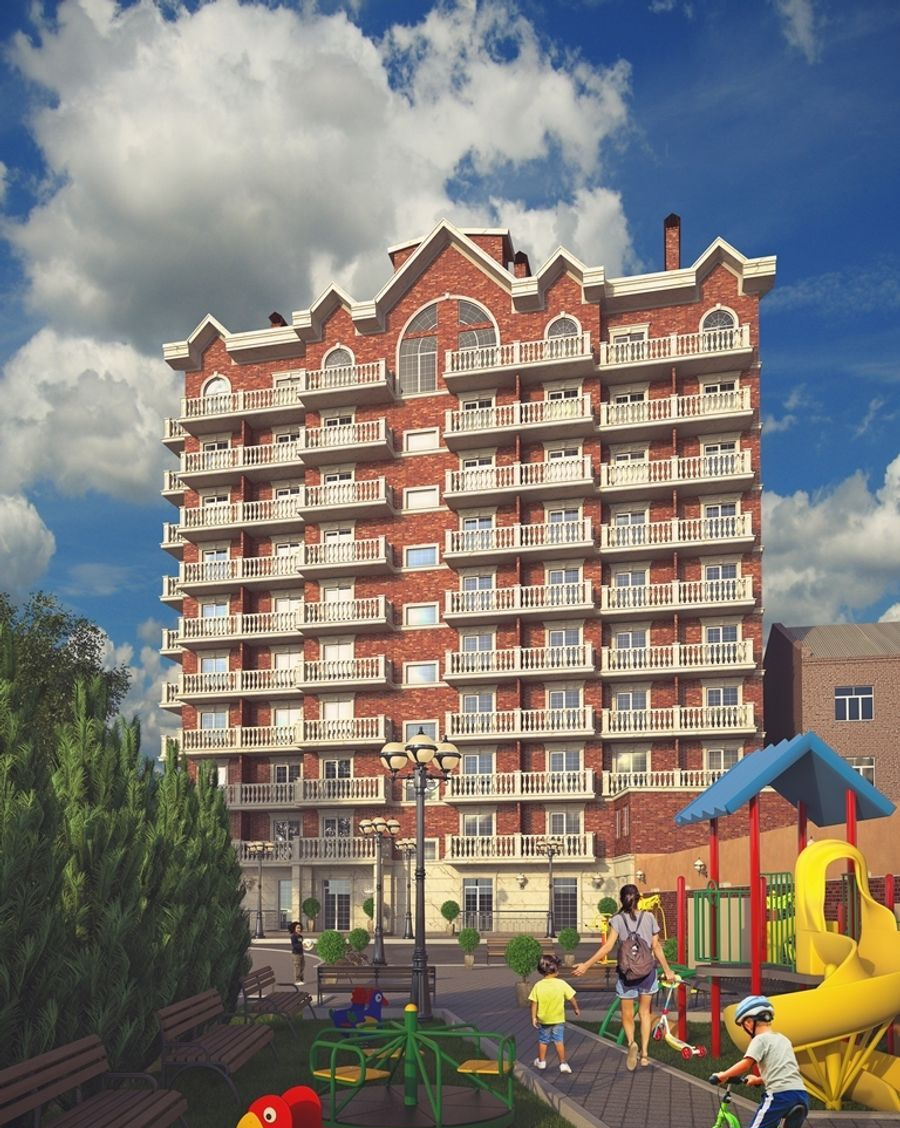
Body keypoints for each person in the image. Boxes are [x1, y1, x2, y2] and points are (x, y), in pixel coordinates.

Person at [573, 883, 676, 1070]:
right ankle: (645, 1054)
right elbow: (656, 946)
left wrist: (586, 965)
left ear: (621, 900)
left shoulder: (617, 919)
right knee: (645, 1013)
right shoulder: (650, 917)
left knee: (627, 1014)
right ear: (639, 899)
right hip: (647, 973)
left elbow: (608, 947)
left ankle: (631, 1043)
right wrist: (667, 970)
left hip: (626, 974)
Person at [710, 996, 809, 1128]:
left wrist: (723, 1075)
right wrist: (758, 1080)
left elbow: (746, 1064)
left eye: (743, 1025)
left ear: (749, 1023)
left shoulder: (759, 1039)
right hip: (801, 1095)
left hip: (780, 1096)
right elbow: (783, 1071)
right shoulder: (783, 1039)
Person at [529, 954, 581, 1073]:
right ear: (555, 970)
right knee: (559, 1041)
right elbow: (572, 998)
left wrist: (533, 1017)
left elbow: (534, 1003)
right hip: (558, 1019)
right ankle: (563, 1063)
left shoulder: (538, 985)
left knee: (543, 1040)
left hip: (544, 1020)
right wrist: (576, 1008)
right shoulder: (561, 983)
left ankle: (542, 1061)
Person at [289, 920, 304, 984]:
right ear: (294, 929)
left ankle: (301, 979)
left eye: (300, 928)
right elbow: (294, 945)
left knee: (302, 966)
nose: (299, 929)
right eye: (297, 928)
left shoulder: (300, 936)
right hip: (296, 954)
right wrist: (302, 945)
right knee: (297, 967)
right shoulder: (293, 936)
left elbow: (301, 943)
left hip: (301, 953)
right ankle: (297, 980)